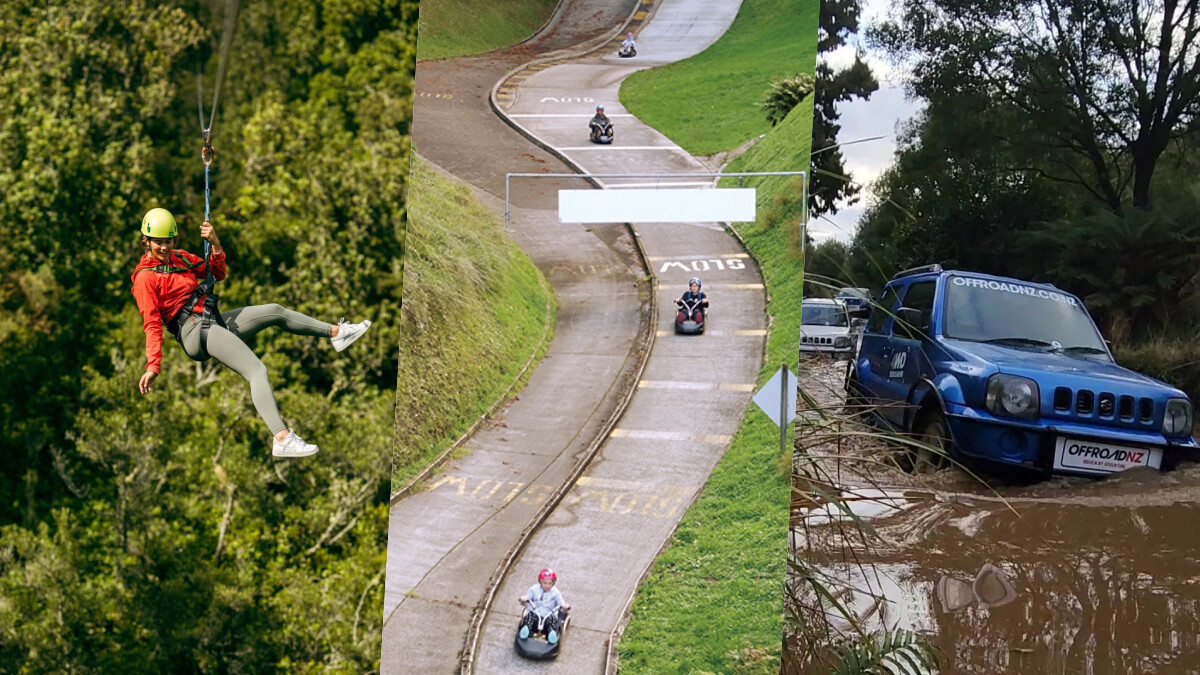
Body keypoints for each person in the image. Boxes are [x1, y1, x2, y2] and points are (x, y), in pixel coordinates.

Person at [131, 207, 372, 458]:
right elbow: (152, 324)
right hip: (194, 333)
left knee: (275, 311)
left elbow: (217, 274)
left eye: (168, 241)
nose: (164, 247)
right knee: (256, 370)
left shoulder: (180, 259)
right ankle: (281, 437)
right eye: (158, 242)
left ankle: (337, 333)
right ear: (145, 241)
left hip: (210, 321)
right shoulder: (145, 278)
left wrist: (215, 245)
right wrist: (153, 366)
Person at [518, 567, 570, 644]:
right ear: (540, 582)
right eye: (545, 583)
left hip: (548, 615)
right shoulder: (534, 590)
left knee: (553, 621)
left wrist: (564, 606)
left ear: (553, 583)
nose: (547, 586)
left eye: (550, 583)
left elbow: (561, 603)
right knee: (529, 617)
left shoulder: (555, 593)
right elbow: (527, 599)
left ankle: (551, 634)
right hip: (536, 613)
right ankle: (526, 630)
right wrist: (524, 599)